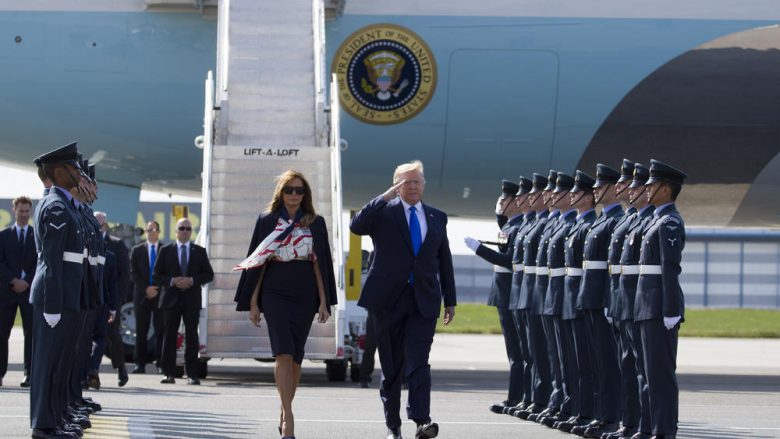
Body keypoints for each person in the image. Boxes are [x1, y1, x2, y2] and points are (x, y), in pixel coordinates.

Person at [350, 160, 456, 439]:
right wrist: (384, 197)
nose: (412, 186)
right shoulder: (384, 213)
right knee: (392, 366)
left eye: (417, 181)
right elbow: (357, 226)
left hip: (423, 300)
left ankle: (422, 420)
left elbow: (443, 261)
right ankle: (393, 425)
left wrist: (451, 300)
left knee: (419, 361)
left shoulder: (437, 217)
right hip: (387, 301)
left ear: (424, 184)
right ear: (396, 186)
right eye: (406, 182)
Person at [234, 170, 338, 439]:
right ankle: (289, 419)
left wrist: (324, 301)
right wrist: (254, 302)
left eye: (299, 190)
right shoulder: (267, 220)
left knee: (296, 356)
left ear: (306, 195)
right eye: (289, 190)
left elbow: (320, 264)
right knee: (282, 353)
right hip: (274, 291)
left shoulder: (315, 222)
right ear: (281, 192)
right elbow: (258, 262)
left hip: (304, 293)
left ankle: (283, 407)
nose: (294, 194)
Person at [29, 142, 88, 439]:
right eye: (73, 167)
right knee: (47, 364)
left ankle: (53, 420)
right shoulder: (54, 206)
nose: (78, 172)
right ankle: (42, 425)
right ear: (58, 171)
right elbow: (51, 261)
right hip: (55, 295)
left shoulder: (63, 205)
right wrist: (52, 304)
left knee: (59, 362)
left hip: (65, 293)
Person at [634, 159, 688, 439]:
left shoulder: (669, 223)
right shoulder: (656, 221)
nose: (647, 189)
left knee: (660, 374)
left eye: (652, 185)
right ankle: (649, 427)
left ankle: (664, 430)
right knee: (646, 374)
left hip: (659, 308)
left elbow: (669, 268)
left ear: (665, 190)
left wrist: (670, 310)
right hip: (646, 306)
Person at [573, 164, 625, 438]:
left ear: (614, 189)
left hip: (601, 300)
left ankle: (611, 418)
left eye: (599, 186)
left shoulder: (615, 221)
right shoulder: (602, 221)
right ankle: (600, 415)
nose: (595, 191)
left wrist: (608, 301)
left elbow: (611, 269)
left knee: (607, 363)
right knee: (596, 363)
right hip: (589, 299)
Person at [464, 179, 523, 415]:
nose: (499, 203)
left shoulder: (517, 228)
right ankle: (516, 397)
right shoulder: (509, 226)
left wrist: (479, 249)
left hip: (511, 294)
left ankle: (517, 398)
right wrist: (500, 213)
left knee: (518, 352)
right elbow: (503, 229)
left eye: (504, 199)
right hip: (503, 294)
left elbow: (507, 260)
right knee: (514, 352)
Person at [615, 162, 655, 439]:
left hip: (640, 303)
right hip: (622, 301)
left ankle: (644, 425)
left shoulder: (652, 221)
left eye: (630, 185)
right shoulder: (630, 219)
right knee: (627, 368)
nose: (624, 189)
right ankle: (630, 423)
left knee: (642, 370)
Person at [556, 170, 597, 434]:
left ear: (589, 196)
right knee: (569, 360)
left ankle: (587, 412)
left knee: (586, 362)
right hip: (566, 296)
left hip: (583, 299)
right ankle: (576, 409)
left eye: (574, 192)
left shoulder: (589, 225)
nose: (569, 195)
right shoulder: (575, 224)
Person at [537, 172, 578, 429]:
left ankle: (572, 406)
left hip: (570, 296)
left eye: (556, 192)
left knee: (572, 357)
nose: (549, 196)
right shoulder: (556, 223)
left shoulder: (574, 224)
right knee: (556, 355)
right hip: (552, 293)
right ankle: (560, 402)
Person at [154, 217, 213, 385]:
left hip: (191, 299)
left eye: (188, 228)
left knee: (192, 337)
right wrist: (173, 281)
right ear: (176, 231)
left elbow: (209, 274)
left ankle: (192, 374)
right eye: (182, 228)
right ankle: (168, 373)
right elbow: (157, 275)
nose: (185, 231)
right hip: (171, 300)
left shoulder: (199, 251)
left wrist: (192, 280)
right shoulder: (166, 250)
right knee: (169, 336)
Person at [0, 196, 36, 388]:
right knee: (2, 333)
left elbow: (40, 263)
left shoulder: (36, 236)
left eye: (26, 211)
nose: (23, 214)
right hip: (7, 291)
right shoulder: (3, 236)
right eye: (20, 211)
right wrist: (13, 280)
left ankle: (29, 374)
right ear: (14, 211)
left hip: (29, 291)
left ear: (30, 212)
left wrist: (26, 282)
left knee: (30, 334)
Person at [94, 212, 129, 385]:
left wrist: (118, 299)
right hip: (92, 299)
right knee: (93, 337)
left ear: (105, 226)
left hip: (110, 300)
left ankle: (121, 368)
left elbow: (124, 274)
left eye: (100, 224)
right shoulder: (87, 242)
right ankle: (93, 372)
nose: (98, 227)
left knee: (112, 336)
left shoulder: (116, 244)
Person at [130, 221, 164, 374]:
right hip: (142, 295)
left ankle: (160, 362)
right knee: (141, 330)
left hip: (160, 294)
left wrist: (157, 288)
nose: (150, 232)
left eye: (153, 229)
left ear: (158, 231)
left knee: (160, 330)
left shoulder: (165, 249)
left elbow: (168, 270)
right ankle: (139, 363)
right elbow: (133, 272)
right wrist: (146, 289)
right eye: (148, 230)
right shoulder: (137, 250)